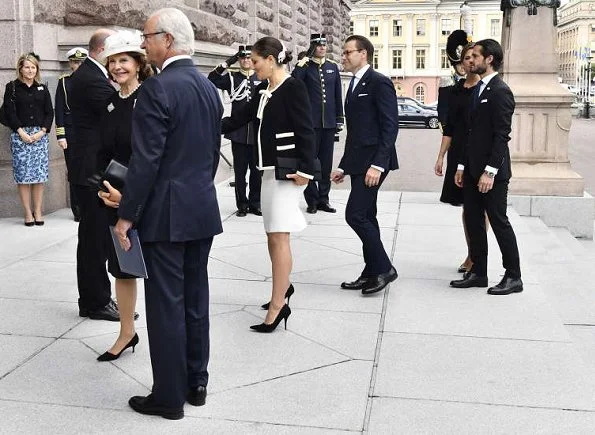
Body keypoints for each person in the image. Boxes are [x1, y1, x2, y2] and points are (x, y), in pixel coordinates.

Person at [112, 8, 223, 420]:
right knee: (196, 299)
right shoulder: (209, 88)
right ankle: (197, 383)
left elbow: (146, 162)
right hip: (200, 208)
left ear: (168, 41)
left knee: (166, 306)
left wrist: (126, 215)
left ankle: (168, 397)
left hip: (166, 215)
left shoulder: (157, 89)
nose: (143, 44)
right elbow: (212, 154)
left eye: (146, 36)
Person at [222, 36, 316, 331]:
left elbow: (306, 130)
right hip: (268, 171)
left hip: (287, 173)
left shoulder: (293, 87)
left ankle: (279, 305)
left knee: (279, 237)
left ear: (271, 60)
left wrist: (307, 170)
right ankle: (282, 288)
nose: (251, 65)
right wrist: (204, 124)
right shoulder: (265, 89)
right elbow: (241, 117)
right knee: (272, 236)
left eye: (256, 60)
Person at [95, 31, 153, 362]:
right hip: (112, 197)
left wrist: (128, 197)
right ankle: (126, 332)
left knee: (154, 271)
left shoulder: (147, 100)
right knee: (123, 268)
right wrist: (105, 190)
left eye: (124, 61)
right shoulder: (111, 101)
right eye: (113, 61)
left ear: (138, 64)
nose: (118, 67)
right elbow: (105, 151)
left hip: (142, 199)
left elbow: (150, 157)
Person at [450, 39, 523, 296]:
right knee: (473, 220)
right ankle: (479, 272)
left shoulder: (501, 91)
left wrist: (490, 171)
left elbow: (502, 136)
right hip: (470, 170)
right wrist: (460, 166)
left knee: (499, 221)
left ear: (489, 59)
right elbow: (469, 134)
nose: (472, 61)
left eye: (476, 56)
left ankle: (514, 276)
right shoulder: (478, 89)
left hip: (492, 174)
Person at [331, 35, 399, 296]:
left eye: (349, 52)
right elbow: (356, 133)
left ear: (364, 54)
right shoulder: (354, 84)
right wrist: (344, 167)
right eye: (344, 53)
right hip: (359, 162)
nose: (344, 57)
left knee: (355, 215)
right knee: (367, 216)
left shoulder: (379, 82)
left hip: (374, 164)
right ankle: (371, 271)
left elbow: (389, 127)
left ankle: (384, 268)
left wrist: (378, 165)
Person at [69, 28, 120, 322]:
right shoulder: (92, 79)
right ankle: (95, 301)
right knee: (94, 239)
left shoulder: (91, 74)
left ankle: (94, 297)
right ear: (102, 49)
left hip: (90, 168)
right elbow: (121, 109)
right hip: (91, 171)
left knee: (93, 238)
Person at [434, 31, 485, 274]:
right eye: (466, 57)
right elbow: (450, 128)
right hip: (458, 154)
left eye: (474, 56)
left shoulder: (487, 90)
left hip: (480, 155)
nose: (469, 61)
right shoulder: (455, 91)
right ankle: (471, 254)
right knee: (467, 208)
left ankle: (476, 256)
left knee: (479, 208)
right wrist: (441, 156)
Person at [208, 45, 262, 217]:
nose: (246, 60)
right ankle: (242, 205)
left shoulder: (260, 78)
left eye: (249, 57)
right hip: (238, 132)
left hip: (256, 132)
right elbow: (212, 78)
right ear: (239, 60)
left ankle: (255, 203)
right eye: (242, 58)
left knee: (256, 172)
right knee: (240, 172)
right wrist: (228, 62)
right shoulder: (232, 78)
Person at [292, 33, 344, 214]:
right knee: (310, 162)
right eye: (318, 45)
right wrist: (304, 60)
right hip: (310, 123)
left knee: (326, 164)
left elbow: (338, 94)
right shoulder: (306, 67)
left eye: (324, 45)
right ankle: (311, 200)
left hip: (328, 123)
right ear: (313, 47)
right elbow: (295, 82)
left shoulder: (332, 67)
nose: (322, 47)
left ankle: (324, 199)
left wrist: (339, 118)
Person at [3, 53, 53, 226]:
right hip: (20, 136)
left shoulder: (43, 88)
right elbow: (9, 112)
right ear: (20, 69)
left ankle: (38, 211)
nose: (30, 70)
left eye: (33, 67)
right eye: (27, 67)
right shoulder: (12, 87)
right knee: (23, 177)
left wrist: (43, 131)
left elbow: (49, 112)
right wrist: (20, 132)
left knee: (39, 176)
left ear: (37, 69)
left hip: (40, 136)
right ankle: (27, 213)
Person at [55, 47, 88, 222]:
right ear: (70, 63)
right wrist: (61, 136)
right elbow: (59, 109)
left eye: (82, 62)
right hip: (71, 133)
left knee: (89, 170)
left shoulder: (92, 81)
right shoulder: (64, 82)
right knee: (74, 172)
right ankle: (77, 210)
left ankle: (89, 206)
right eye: (75, 62)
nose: (78, 65)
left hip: (89, 134)